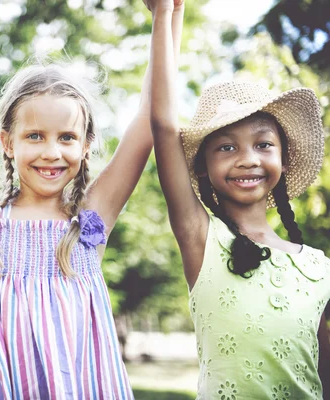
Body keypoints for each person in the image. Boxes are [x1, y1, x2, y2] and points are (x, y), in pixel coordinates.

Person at [0, 3, 184, 397]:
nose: (52, 152)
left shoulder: (93, 214)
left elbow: (150, 115)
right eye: (35, 136)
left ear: (87, 145)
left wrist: (168, 13)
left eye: (67, 137)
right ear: (8, 142)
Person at [147, 0, 330, 398]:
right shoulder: (201, 238)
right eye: (226, 148)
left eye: (263, 144)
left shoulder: (319, 269)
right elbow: (163, 126)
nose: (248, 159)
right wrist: (166, 13)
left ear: (282, 156)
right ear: (202, 167)